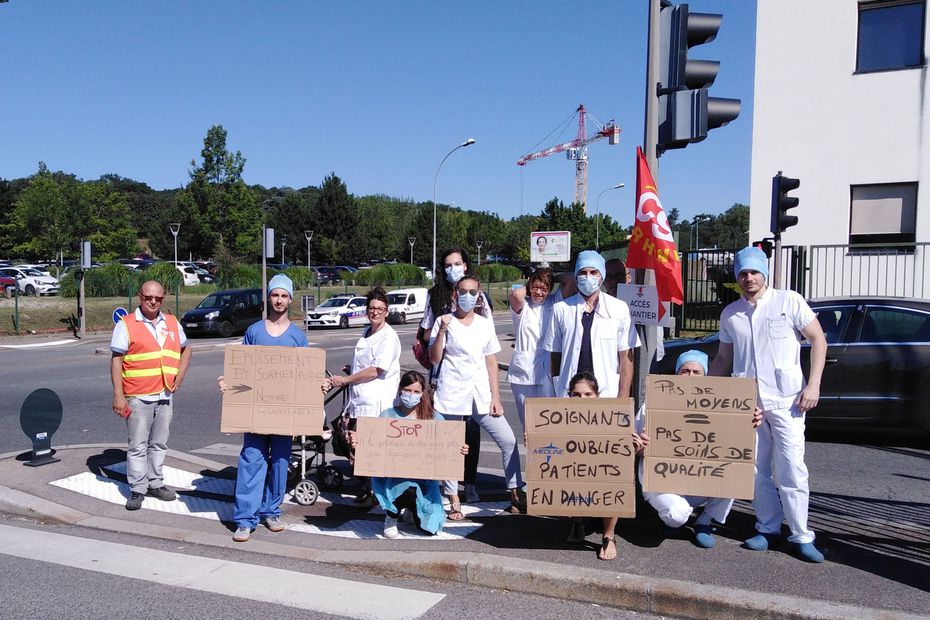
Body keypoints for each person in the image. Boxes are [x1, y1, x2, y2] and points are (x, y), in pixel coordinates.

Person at [708, 246, 828, 563]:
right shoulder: (731, 313)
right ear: (737, 278)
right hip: (748, 403)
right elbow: (723, 358)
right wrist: (704, 391)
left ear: (764, 273)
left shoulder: (789, 301)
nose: (748, 278)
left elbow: (818, 339)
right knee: (755, 469)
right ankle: (767, 528)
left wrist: (813, 384)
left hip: (789, 401)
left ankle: (801, 535)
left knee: (791, 467)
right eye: (742, 273)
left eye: (753, 272)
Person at [636, 350, 762, 548]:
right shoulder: (653, 404)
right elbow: (632, 444)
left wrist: (747, 421)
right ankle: (676, 520)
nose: (690, 376)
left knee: (745, 471)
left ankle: (705, 520)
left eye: (697, 372)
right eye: (685, 371)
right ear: (676, 374)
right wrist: (640, 446)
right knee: (677, 514)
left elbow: (740, 449)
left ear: (706, 377)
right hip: (663, 480)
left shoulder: (721, 406)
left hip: (701, 479)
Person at [219, 274, 308, 542]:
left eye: (284, 296)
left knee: (280, 463)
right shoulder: (254, 331)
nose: (279, 300)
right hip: (255, 411)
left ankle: (271, 510)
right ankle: (245, 519)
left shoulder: (297, 337)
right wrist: (229, 383)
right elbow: (242, 370)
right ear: (268, 297)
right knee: (252, 461)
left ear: (290, 299)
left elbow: (305, 376)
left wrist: (319, 386)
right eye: (274, 295)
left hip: (284, 413)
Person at [430, 274, 524, 519]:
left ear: (479, 294)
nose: (467, 296)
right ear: (455, 294)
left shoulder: (484, 323)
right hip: (451, 392)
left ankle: (515, 491)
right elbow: (434, 359)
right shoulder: (444, 321)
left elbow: (491, 361)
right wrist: (441, 332)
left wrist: (496, 397)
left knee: (508, 440)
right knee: (451, 448)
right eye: (463, 291)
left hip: (480, 394)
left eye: (473, 292)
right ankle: (453, 499)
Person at [355, 370, 469, 538]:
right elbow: (373, 445)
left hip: (425, 484)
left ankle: (413, 508)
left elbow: (448, 446)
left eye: (416, 391)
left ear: (422, 394)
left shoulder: (434, 418)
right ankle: (391, 516)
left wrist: (460, 449)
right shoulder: (387, 415)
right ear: (400, 389)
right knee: (406, 486)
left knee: (429, 530)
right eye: (408, 390)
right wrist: (360, 442)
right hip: (393, 481)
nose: (411, 395)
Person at [416, 248, 490, 503]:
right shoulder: (434, 295)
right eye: (448, 265)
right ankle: (447, 486)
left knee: (471, 428)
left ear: (466, 266)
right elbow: (425, 331)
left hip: (472, 375)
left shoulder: (479, 295)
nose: (453, 269)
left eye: (457, 264)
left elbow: (486, 331)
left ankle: (469, 482)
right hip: (443, 371)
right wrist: (444, 330)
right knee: (446, 432)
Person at [110, 280, 191, 511]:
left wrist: (181, 376)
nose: (153, 301)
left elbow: (187, 349)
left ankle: (155, 482)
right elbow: (117, 361)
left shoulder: (172, 322)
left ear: (163, 299)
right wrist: (118, 395)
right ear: (140, 297)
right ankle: (137, 488)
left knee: (159, 443)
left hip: (165, 393)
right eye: (148, 297)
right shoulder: (126, 324)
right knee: (137, 445)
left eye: (158, 298)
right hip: (137, 394)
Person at [324, 287, 401, 507]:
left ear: (386, 311)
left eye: (380, 309)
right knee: (358, 448)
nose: (375, 312)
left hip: (377, 401)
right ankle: (369, 489)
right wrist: (353, 368)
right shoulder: (367, 331)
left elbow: (376, 370)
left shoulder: (388, 337)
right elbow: (366, 364)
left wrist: (346, 380)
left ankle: (378, 493)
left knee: (371, 450)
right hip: (360, 400)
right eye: (371, 308)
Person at [564, 372, 646, 561]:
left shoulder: (612, 418)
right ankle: (578, 521)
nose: (582, 399)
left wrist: (633, 446)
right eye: (576, 395)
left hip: (602, 476)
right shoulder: (560, 419)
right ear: (569, 396)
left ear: (597, 396)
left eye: (587, 395)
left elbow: (622, 458)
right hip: (576, 474)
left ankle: (609, 535)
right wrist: (535, 442)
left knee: (613, 480)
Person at [544, 250, 639, 399]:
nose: (588, 277)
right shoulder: (561, 309)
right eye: (583, 272)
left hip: (607, 393)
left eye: (594, 272)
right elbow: (555, 353)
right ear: (575, 276)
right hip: (571, 393)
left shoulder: (619, 309)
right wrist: (557, 386)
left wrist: (624, 394)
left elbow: (626, 356)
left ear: (602, 276)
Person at [507, 268, 555, 433]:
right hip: (523, 375)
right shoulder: (523, 305)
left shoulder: (555, 302)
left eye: (544, 288)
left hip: (547, 373)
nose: (539, 292)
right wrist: (533, 284)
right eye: (535, 287)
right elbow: (516, 294)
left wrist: (551, 278)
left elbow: (570, 280)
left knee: (548, 426)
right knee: (529, 428)